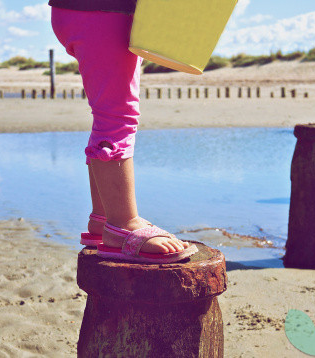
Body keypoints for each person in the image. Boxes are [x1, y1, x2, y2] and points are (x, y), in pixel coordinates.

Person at [49, 1, 198, 263]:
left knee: (107, 114)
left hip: (81, 9)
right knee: (117, 118)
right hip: (104, 10)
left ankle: (104, 217)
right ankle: (123, 225)